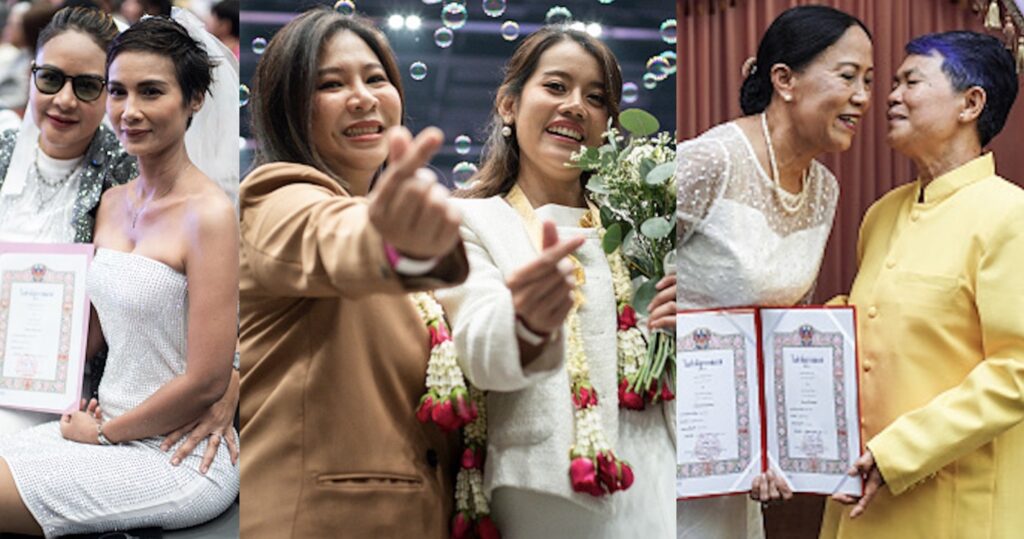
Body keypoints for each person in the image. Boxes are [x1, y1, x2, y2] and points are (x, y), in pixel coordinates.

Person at [0, 15, 239, 536]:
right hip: (96, 421)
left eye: (151, 92)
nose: (129, 111)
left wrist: (107, 434)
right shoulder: (109, 203)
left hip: (175, 452)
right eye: (117, 91)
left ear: (195, 99)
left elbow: (207, 379)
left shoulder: (211, 215)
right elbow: (93, 326)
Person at [434, 26, 676, 538]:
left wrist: (681, 327)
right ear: (508, 105)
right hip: (545, 486)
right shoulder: (470, 221)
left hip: (657, 475)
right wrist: (524, 317)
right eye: (556, 87)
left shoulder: (638, 226)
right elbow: (478, 350)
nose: (575, 107)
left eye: (596, 98)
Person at [238, 9, 467, 538]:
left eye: (376, 78)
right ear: (289, 108)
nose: (362, 97)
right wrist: (396, 243)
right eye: (331, 84)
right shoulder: (275, 198)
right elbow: (336, 240)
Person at [675, 5, 873, 539]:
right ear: (784, 80)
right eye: (848, 76)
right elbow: (630, 278)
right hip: (672, 429)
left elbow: (786, 331)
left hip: (740, 461)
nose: (863, 97)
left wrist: (778, 446)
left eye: (870, 82)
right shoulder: (710, 161)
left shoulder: (825, 190)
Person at [821, 30, 1022, 539]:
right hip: (856, 497)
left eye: (910, 81)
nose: (890, 96)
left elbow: (1015, 369)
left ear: (970, 103)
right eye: (892, 83)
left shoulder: (1009, 216)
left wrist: (897, 454)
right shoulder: (882, 213)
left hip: (951, 506)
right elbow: (869, 321)